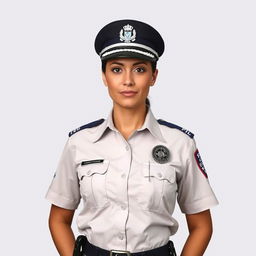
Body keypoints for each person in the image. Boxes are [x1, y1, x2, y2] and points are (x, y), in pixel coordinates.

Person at [45, 19, 219, 256]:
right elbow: (58, 219)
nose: (128, 80)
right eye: (117, 69)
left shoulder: (179, 144)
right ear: (104, 77)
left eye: (139, 69)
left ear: (154, 76)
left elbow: (201, 226)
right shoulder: (80, 143)